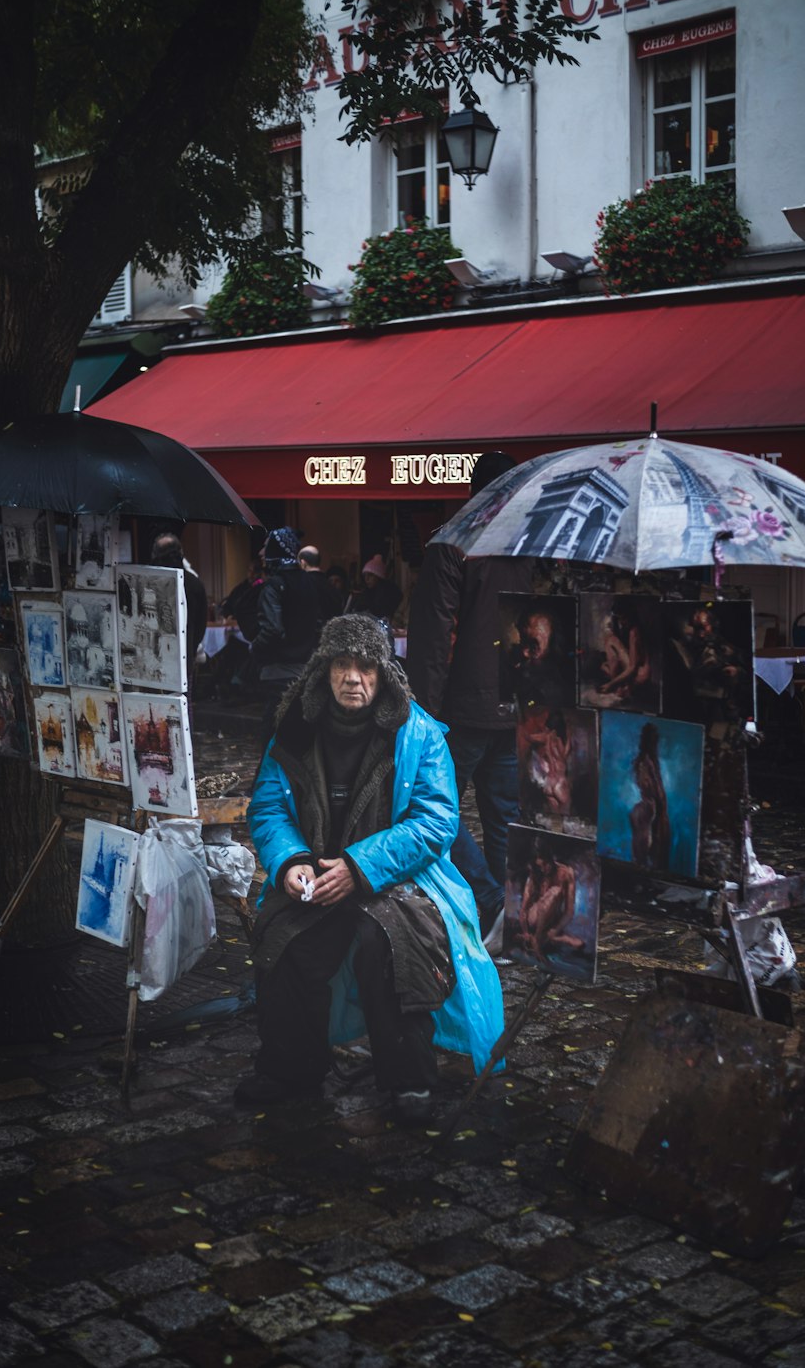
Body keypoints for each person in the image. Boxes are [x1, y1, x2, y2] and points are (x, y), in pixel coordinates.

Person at [239, 613, 505, 1125]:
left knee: (386, 940)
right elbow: (268, 806)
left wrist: (360, 868)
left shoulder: (417, 731)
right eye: (342, 664)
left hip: (402, 879)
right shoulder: (294, 727)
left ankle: (409, 1080)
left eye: (365, 666)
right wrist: (290, 863)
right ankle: (290, 1069)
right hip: (314, 870)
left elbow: (436, 820)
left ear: (384, 672)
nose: (353, 678)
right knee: (284, 934)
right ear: (325, 668)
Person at [406, 452, 535, 956]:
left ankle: (488, 900)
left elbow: (436, 638)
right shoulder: (525, 545)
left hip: (462, 709)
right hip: (512, 701)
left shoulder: (452, 544)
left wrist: (423, 711)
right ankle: (510, 913)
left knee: (435, 806)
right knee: (503, 812)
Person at [252, 526, 321, 748]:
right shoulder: (310, 582)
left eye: (266, 547)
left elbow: (273, 629)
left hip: (278, 670)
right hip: (305, 669)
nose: (261, 552)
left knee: (272, 738)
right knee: (298, 737)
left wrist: (255, 648)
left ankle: (270, 782)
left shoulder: (275, 585)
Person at [149, 532, 208, 688]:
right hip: (185, 656)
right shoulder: (195, 583)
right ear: (181, 553)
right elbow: (201, 625)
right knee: (182, 705)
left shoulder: (150, 582)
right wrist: (192, 648)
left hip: (155, 659)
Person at [519, 849, 583, 960]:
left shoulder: (565, 873)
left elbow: (569, 911)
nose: (543, 869)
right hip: (534, 919)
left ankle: (543, 939)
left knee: (578, 944)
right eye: (539, 867)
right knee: (553, 892)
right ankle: (537, 939)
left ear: (551, 860)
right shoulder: (534, 876)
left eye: (545, 864)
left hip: (552, 921)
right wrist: (525, 932)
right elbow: (524, 910)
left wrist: (555, 930)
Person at [630, 721, 671, 870]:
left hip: (655, 808)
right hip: (651, 806)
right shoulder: (645, 762)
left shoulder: (650, 761)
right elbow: (648, 785)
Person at [299, 543, 345, 631]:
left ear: (303, 562)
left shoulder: (302, 585)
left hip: (311, 638)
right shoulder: (331, 586)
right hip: (332, 635)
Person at [348, 554, 402, 622]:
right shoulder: (365, 593)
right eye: (365, 575)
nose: (366, 579)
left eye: (370, 575)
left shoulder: (391, 594)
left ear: (379, 577)